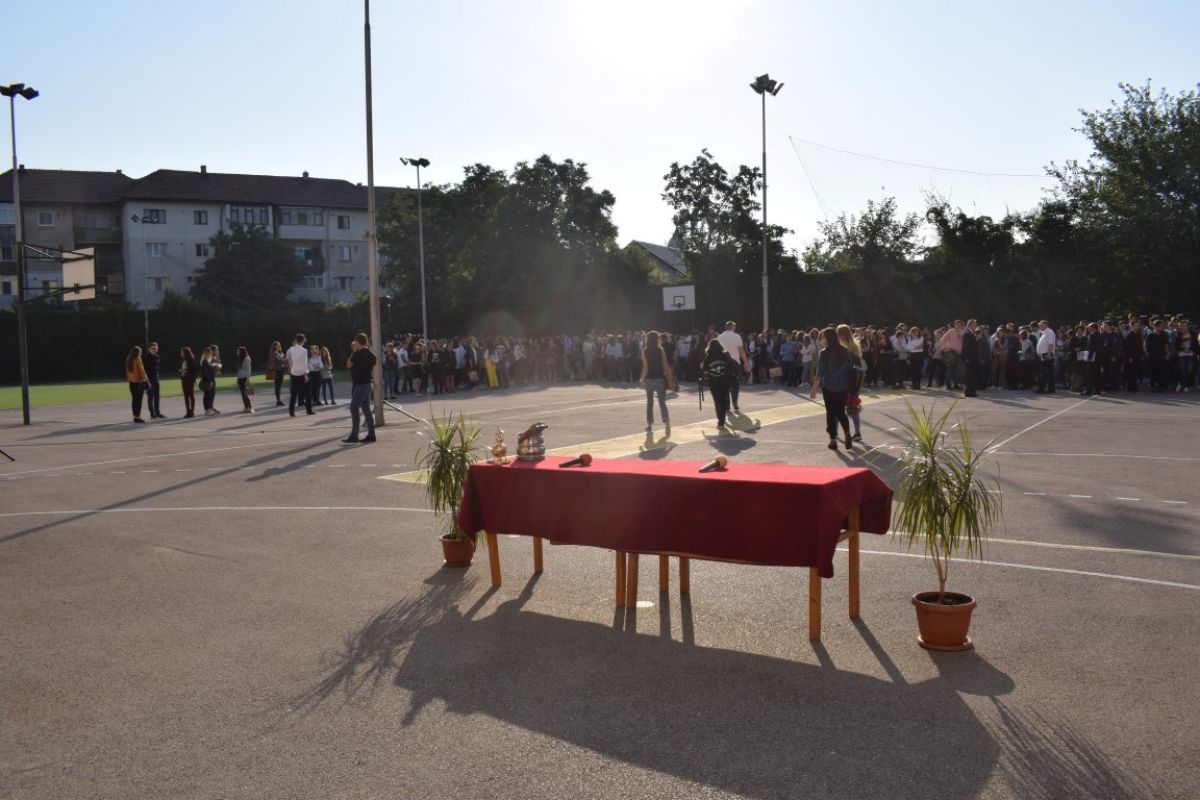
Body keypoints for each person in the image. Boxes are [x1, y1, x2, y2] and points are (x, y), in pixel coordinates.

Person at [810, 327, 854, 451]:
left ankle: (833, 440)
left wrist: (813, 389)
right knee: (841, 412)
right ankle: (847, 433)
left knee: (830, 413)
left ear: (827, 338)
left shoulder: (824, 353)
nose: (822, 340)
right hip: (843, 387)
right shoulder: (845, 351)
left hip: (829, 387)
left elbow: (820, 373)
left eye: (823, 337)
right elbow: (850, 369)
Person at [639, 330, 674, 438]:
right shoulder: (660, 350)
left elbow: (645, 367)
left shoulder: (645, 351)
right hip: (660, 379)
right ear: (657, 339)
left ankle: (649, 424)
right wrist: (670, 377)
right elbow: (665, 365)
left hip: (649, 379)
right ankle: (667, 422)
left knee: (649, 403)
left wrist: (642, 378)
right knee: (662, 402)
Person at [344, 332, 377, 444]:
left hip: (360, 385)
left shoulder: (357, 354)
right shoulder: (372, 356)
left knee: (354, 408)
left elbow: (348, 365)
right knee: (367, 410)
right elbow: (372, 370)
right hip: (368, 384)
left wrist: (353, 352)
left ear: (358, 343)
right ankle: (371, 434)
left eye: (356, 342)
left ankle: (354, 435)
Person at [837, 325, 866, 442]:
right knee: (853, 408)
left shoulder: (840, 349)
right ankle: (857, 432)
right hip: (854, 382)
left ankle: (834, 432)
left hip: (842, 382)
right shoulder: (855, 347)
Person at [716, 321, 750, 414]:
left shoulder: (719, 337)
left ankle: (726, 405)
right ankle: (735, 402)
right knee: (735, 384)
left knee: (725, 385)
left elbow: (717, 351)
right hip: (735, 363)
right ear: (732, 327)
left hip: (723, 364)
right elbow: (741, 349)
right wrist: (746, 362)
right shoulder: (736, 336)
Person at [701, 338, 735, 430]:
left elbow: (705, 371)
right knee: (723, 400)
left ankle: (720, 421)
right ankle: (723, 416)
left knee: (717, 402)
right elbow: (731, 367)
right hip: (724, 380)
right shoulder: (724, 355)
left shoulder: (708, 357)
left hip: (714, 382)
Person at [286, 333, 314, 416]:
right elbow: (304, 363)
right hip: (302, 373)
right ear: (303, 340)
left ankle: (291, 412)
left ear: (296, 340)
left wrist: (291, 368)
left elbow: (289, 360)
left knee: (293, 394)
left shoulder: (291, 349)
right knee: (307, 393)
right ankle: (309, 410)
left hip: (294, 373)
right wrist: (305, 375)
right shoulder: (304, 350)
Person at [125, 346, 149, 424]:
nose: (141, 353)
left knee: (134, 400)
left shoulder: (128, 359)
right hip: (139, 382)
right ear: (137, 352)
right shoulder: (138, 359)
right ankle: (137, 417)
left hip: (131, 382)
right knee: (138, 400)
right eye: (140, 352)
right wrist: (146, 380)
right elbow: (142, 371)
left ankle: (135, 416)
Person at [143, 341, 165, 419]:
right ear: (149, 349)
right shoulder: (146, 357)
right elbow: (143, 370)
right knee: (150, 397)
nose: (154, 349)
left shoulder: (157, 357)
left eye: (155, 348)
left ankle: (157, 413)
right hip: (149, 380)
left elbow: (156, 369)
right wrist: (145, 381)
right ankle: (152, 414)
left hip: (156, 379)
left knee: (157, 397)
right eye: (152, 348)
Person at [1035, 320, 1056, 393]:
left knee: (1044, 373)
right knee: (1047, 373)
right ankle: (1050, 389)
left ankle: (1042, 389)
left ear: (1045, 325)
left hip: (1047, 355)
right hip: (1044, 355)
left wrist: (1049, 354)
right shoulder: (1044, 332)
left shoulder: (1049, 332)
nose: (1039, 326)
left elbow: (1051, 344)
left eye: (1041, 325)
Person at [199, 346, 219, 416]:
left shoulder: (206, 361)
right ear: (207, 354)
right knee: (209, 395)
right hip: (208, 381)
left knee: (209, 395)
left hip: (209, 380)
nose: (211, 355)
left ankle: (209, 409)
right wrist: (211, 379)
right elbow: (206, 373)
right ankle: (208, 410)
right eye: (210, 353)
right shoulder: (205, 362)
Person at [961, 319, 979, 397]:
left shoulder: (971, 333)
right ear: (970, 325)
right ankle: (969, 391)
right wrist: (967, 358)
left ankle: (970, 391)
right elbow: (966, 347)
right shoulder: (967, 333)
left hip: (972, 358)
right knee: (970, 375)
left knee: (971, 375)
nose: (976, 326)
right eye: (974, 324)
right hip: (969, 358)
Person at [179, 346, 198, 418]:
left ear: (185, 353)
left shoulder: (191, 360)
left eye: (182, 352)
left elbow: (193, 370)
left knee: (190, 395)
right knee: (186, 396)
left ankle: (191, 412)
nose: (181, 353)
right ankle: (188, 411)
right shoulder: (184, 360)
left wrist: (183, 370)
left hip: (189, 379)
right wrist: (182, 370)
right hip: (184, 378)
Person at [234, 346, 254, 413]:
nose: (237, 352)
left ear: (241, 352)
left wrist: (247, 379)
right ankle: (246, 407)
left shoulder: (247, 359)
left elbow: (248, 370)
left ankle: (249, 407)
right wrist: (237, 379)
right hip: (240, 378)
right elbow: (240, 371)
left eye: (238, 351)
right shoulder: (241, 359)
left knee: (245, 394)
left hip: (244, 378)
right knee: (243, 394)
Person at [268, 341, 287, 406]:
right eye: (278, 345)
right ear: (274, 346)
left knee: (279, 386)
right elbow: (277, 360)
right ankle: (278, 400)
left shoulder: (279, 352)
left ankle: (278, 400)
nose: (279, 346)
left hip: (281, 370)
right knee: (277, 386)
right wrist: (284, 359)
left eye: (279, 345)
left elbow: (283, 360)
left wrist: (283, 359)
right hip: (277, 371)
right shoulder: (273, 353)